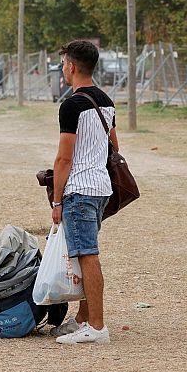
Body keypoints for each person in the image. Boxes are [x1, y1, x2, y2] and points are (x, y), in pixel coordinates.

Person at [48, 40, 117, 344]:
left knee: (87, 255)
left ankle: (97, 327)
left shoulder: (71, 104)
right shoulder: (106, 101)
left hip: (79, 188)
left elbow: (64, 157)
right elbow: (114, 144)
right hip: (101, 186)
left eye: (64, 63)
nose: (63, 68)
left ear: (72, 67)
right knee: (86, 252)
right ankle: (83, 318)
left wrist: (57, 198)